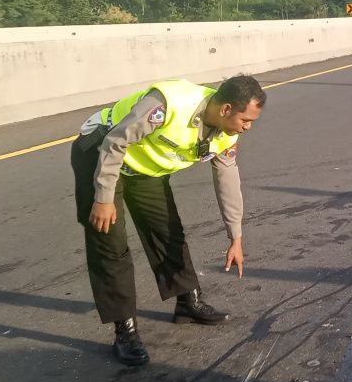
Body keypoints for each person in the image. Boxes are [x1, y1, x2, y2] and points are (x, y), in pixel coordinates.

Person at [71, 75, 266, 366]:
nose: (248, 127)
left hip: (144, 168)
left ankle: (188, 302)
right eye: (246, 120)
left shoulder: (227, 133)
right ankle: (125, 330)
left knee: (168, 230)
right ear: (226, 109)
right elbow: (114, 142)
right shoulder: (169, 104)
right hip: (101, 152)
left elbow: (228, 182)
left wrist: (235, 237)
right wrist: (103, 198)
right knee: (110, 244)